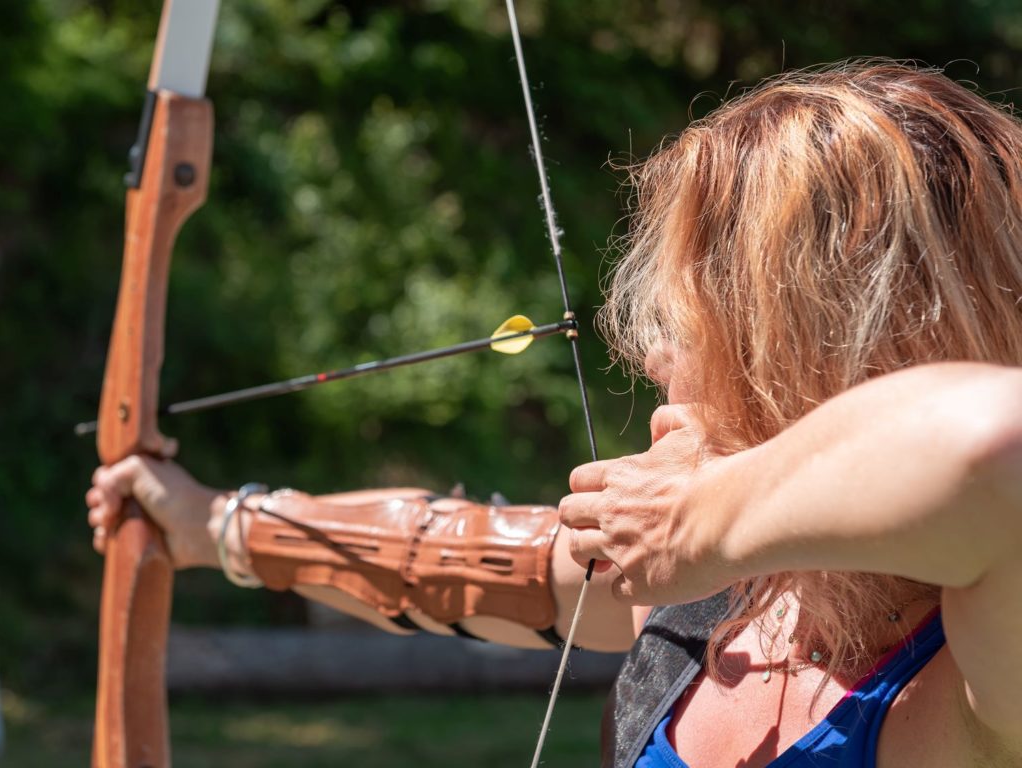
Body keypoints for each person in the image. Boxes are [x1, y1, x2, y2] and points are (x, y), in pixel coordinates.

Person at [87, 61, 1022, 767]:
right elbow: (463, 565)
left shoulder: (980, 672)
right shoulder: (743, 591)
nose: (656, 356)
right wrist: (211, 524)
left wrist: (702, 518)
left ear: (802, 346)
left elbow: (998, 447)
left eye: (694, 320)